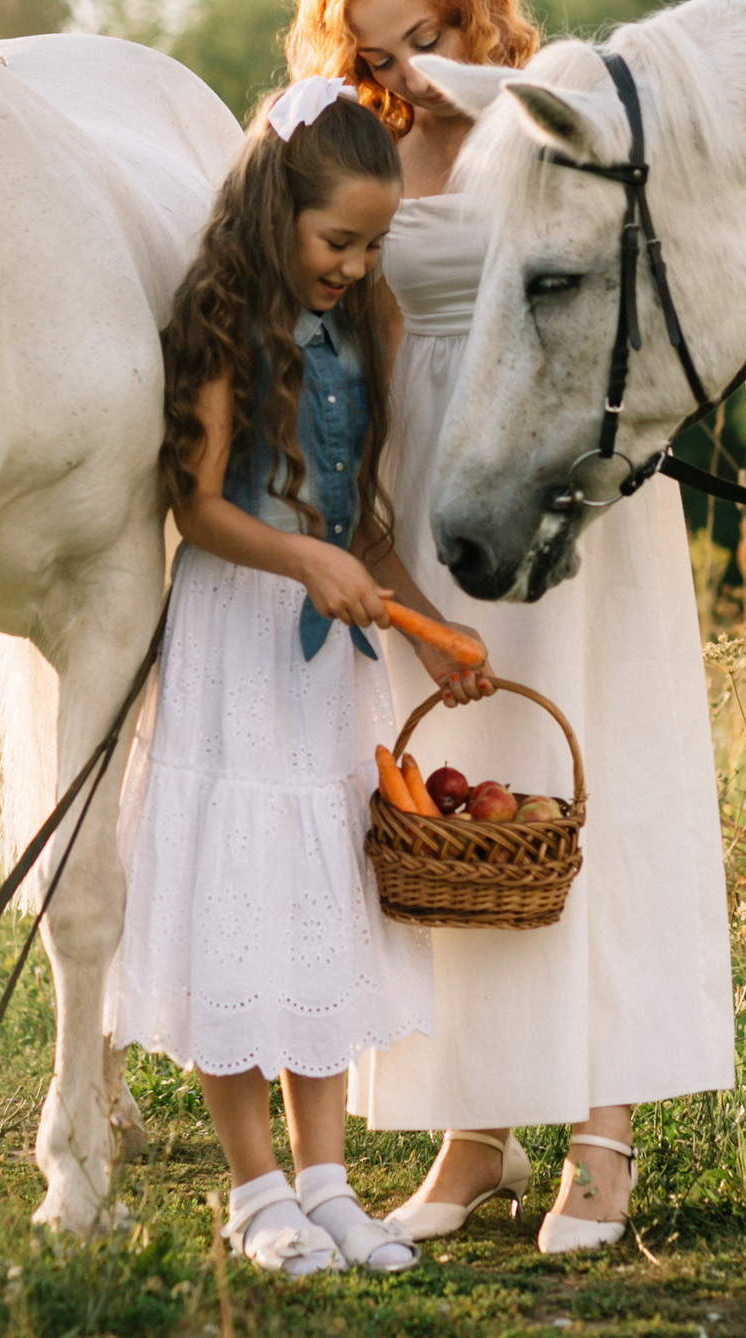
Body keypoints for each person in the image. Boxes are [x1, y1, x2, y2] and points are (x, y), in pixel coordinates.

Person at [287, 0, 735, 1256]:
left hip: (547, 458)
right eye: (376, 46)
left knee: (583, 776)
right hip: (419, 468)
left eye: (426, 31)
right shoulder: (351, 143)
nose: (409, 65)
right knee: (446, 811)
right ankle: (470, 1128)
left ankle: (601, 1128)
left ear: (469, 4)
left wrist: (487, 92)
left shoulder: (552, 118)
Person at [106, 78, 491, 1277]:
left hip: (326, 664)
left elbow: (360, 521)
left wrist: (430, 629)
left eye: (374, 243)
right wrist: (305, 560)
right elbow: (200, 506)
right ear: (279, 211)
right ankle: (254, 1188)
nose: (358, 262)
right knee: (241, 890)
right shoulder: (224, 319)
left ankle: (326, 1180)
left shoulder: (360, 327)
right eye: (340, 240)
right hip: (238, 635)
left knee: (320, 895)